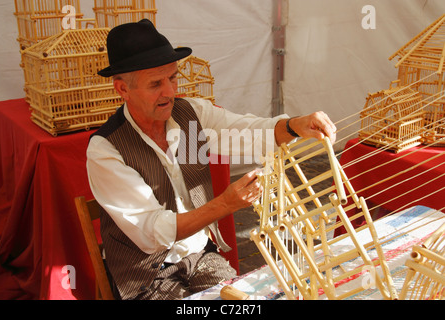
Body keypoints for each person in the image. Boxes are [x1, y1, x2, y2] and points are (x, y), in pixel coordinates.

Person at [87, 19, 336, 300]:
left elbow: (247, 131)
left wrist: (294, 126)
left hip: (200, 256)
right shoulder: (106, 149)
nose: (169, 91)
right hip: (146, 275)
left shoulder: (190, 115)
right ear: (122, 90)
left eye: (172, 77)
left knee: (249, 303)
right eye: (156, 83)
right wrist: (225, 204)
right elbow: (152, 233)